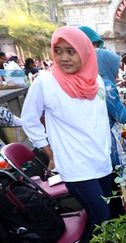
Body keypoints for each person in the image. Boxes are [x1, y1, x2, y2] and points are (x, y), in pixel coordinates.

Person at [21, 26, 113, 228]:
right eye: (58, 51)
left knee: (110, 216)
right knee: (103, 220)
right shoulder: (46, 81)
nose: (63, 57)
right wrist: (50, 152)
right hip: (75, 166)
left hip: (101, 161)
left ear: (85, 52)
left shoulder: (95, 80)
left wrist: (108, 150)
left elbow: (99, 121)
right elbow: (29, 119)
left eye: (71, 51)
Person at [96, 48, 126, 217]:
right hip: (107, 140)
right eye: (116, 65)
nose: (118, 68)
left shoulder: (98, 81)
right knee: (114, 180)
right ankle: (119, 215)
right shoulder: (106, 85)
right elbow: (122, 116)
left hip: (102, 137)